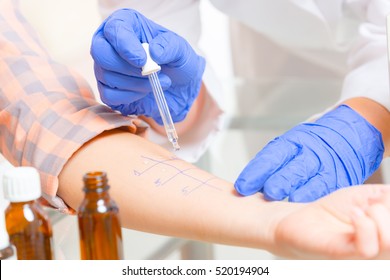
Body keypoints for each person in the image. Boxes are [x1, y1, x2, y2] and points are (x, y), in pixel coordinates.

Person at [1, 0, 390, 260]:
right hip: (282, 61)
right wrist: (174, 100)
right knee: (286, 175)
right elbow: (48, 116)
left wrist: (371, 114)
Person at [91, 1, 390, 203]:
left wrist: (372, 115)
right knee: (282, 205)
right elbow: (158, 17)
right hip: (279, 41)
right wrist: (173, 102)